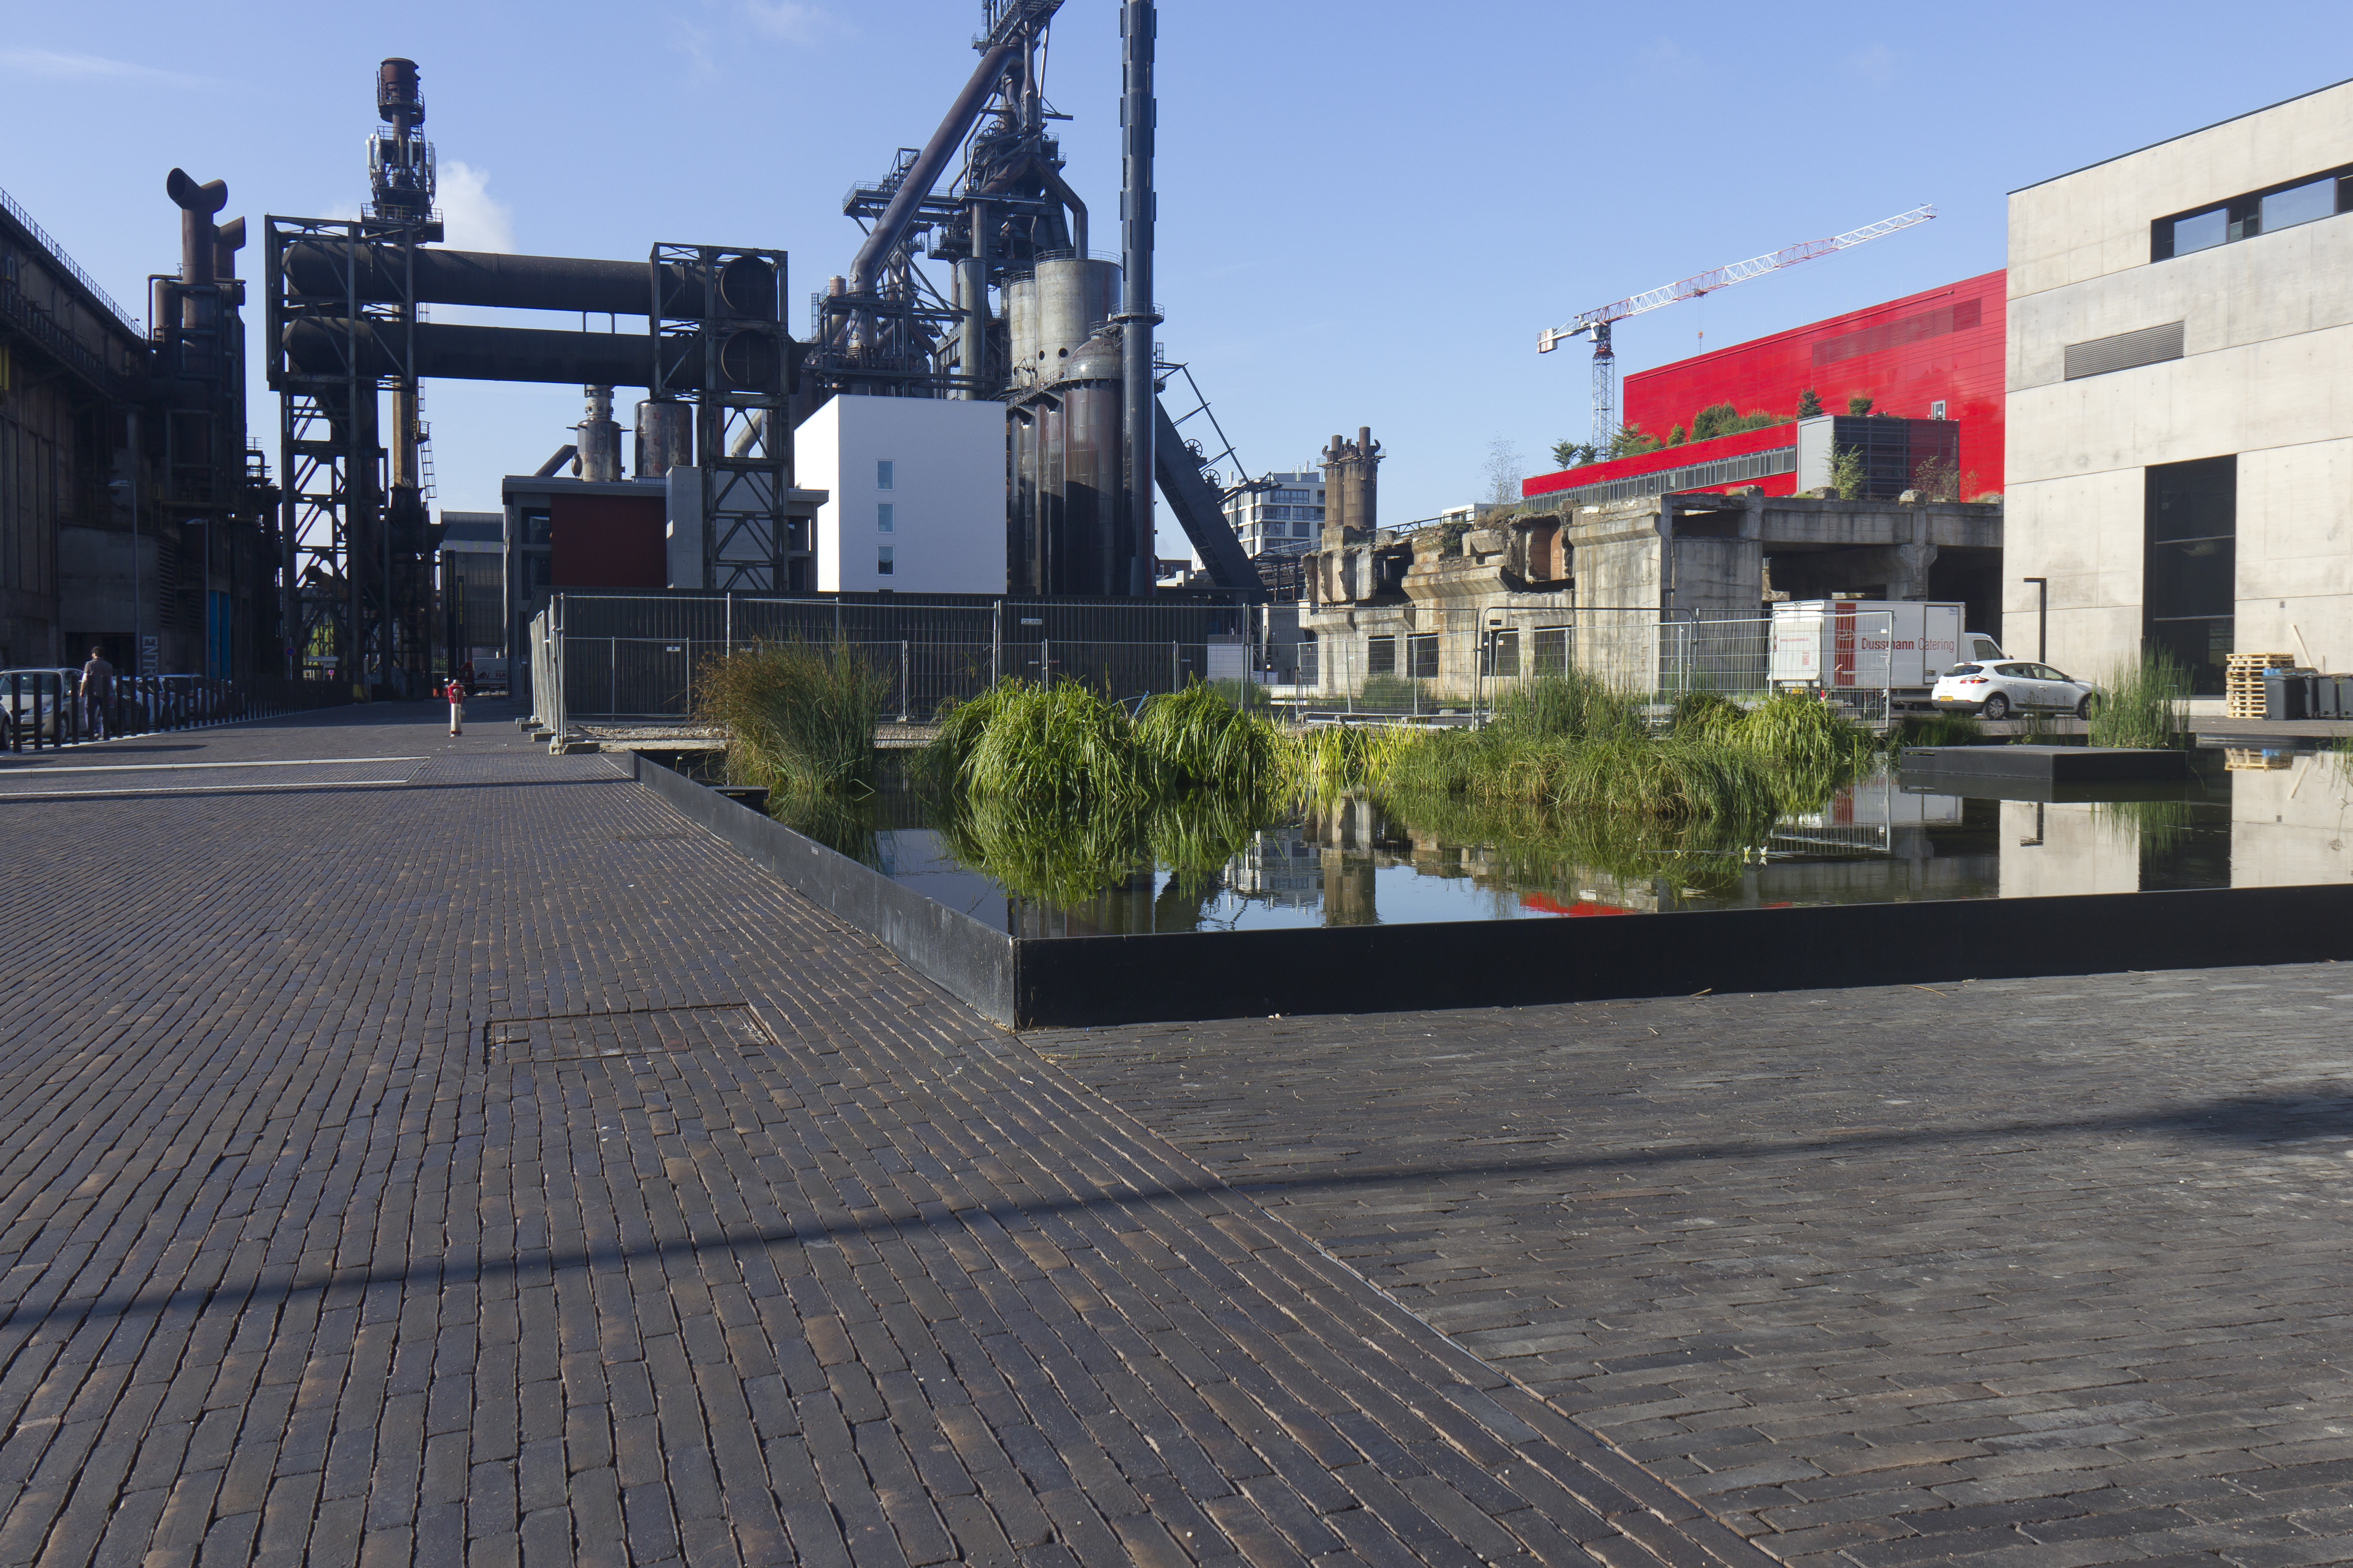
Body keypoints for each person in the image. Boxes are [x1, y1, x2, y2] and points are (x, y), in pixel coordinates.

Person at [78, 646, 114, 740]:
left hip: (92, 693)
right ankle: (105, 733)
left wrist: (82, 691)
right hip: (105, 693)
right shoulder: (108, 665)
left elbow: (85, 679)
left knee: (90, 713)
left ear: (94, 654)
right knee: (105, 714)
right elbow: (110, 680)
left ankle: (94, 732)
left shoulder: (90, 664)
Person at [443, 671, 466, 736]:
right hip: (457, 702)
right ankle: (456, 729)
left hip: (454, 702)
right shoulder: (459, 689)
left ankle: (455, 729)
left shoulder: (451, 688)